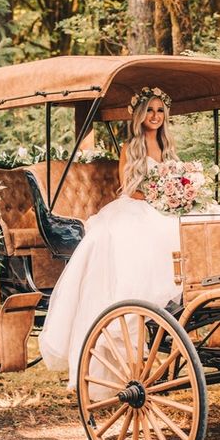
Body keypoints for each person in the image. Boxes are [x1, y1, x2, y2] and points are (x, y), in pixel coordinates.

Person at [39, 87, 183, 392]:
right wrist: (159, 196)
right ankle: (133, 307)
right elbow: (128, 187)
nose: (155, 117)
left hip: (164, 205)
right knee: (141, 236)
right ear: (140, 115)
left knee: (194, 224)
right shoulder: (130, 148)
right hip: (136, 205)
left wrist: (178, 194)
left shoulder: (168, 148)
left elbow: (176, 179)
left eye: (160, 111)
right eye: (150, 111)